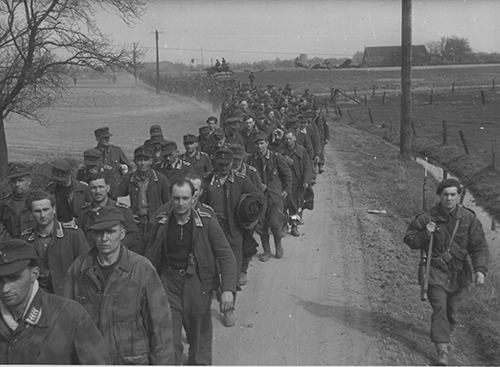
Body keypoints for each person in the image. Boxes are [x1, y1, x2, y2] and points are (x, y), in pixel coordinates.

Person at [66, 206, 174, 364]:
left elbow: (160, 325)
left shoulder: (141, 268)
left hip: (131, 360)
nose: (104, 239)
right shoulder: (78, 269)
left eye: (111, 232)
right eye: (98, 233)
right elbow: (66, 322)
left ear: (122, 234)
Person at [146, 179, 237, 365]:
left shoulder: (206, 221)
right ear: (171, 199)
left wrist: (228, 289)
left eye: (185, 198)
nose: (180, 203)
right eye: (176, 198)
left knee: (199, 339)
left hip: (197, 284)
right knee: (168, 338)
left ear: (193, 198)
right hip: (169, 284)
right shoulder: (161, 220)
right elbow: (149, 252)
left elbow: (226, 255)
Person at [404, 179, 489, 366]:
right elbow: (409, 239)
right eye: (445, 195)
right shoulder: (427, 217)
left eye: (452, 194)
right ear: (439, 196)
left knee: (452, 312)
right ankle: (442, 350)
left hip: (459, 274)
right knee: (440, 308)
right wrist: (425, 233)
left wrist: (480, 270)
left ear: (458, 196)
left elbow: (479, 247)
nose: (449, 198)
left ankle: (444, 333)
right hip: (434, 271)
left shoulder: (469, 218)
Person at [0, 239, 110, 364]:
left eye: (14, 278)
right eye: (0, 280)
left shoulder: (70, 315)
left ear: (34, 274)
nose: (5, 288)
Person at [21, 190, 88, 296]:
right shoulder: (25, 240)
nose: (42, 215)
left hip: (67, 295)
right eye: (37, 211)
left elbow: (86, 268)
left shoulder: (73, 235)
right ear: (30, 213)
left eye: (46, 209)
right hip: (37, 296)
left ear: (54, 209)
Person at [117, 145, 170, 255]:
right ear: (135, 161)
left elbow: (169, 203)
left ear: (151, 161)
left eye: (145, 160)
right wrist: (128, 215)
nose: (142, 163)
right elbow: (117, 201)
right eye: (139, 160)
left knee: (154, 256)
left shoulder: (161, 179)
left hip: (154, 225)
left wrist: (161, 219)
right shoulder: (128, 179)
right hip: (135, 226)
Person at [247, 132, 292, 261]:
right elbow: (247, 175)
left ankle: (278, 245)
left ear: (267, 143)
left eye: (262, 143)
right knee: (261, 226)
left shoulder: (276, 158)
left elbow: (287, 174)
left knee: (275, 223)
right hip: (259, 197)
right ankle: (266, 251)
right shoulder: (251, 159)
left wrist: (286, 190)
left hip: (274, 196)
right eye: (257, 144)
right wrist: (256, 185)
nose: (259, 146)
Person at [229, 143, 265, 286]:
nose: (235, 162)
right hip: (230, 215)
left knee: (246, 246)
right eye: (233, 159)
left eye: (238, 159)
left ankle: (243, 270)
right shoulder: (224, 171)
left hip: (246, 217)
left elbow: (260, 197)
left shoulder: (251, 172)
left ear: (243, 158)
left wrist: (255, 218)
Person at [80, 173, 142, 253]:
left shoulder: (122, 210)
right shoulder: (84, 212)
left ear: (108, 188)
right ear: (89, 190)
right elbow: (81, 237)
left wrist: (113, 246)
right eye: (93, 188)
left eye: (101, 187)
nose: (97, 191)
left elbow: (133, 236)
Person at [278, 130, 314, 237]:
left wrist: (306, 181)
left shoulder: (301, 150)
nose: (288, 141)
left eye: (290, 138)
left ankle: (294, 226)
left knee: (296, 206)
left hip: (297, 184)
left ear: (294, 138)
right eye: (286, 139)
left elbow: (307, 167)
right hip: (284, 183)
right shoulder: (281, 150)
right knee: (283, 205)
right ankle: (284, 225)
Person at [46, 159, 89, 224]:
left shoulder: (83, 189)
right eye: (57, 179)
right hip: (57, 226)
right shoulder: (50, 189)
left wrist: (76, 221)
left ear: (69, 175)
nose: (60, 182)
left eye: (62, 179)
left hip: (78, 226)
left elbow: (90, 210)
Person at [0, 164, 35, 239]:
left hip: (33, 245)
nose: (17, 184)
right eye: (13, 181)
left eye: (20, 180)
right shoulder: (4, 204)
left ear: (29, 181)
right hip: (12, 247)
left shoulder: (38, 201)